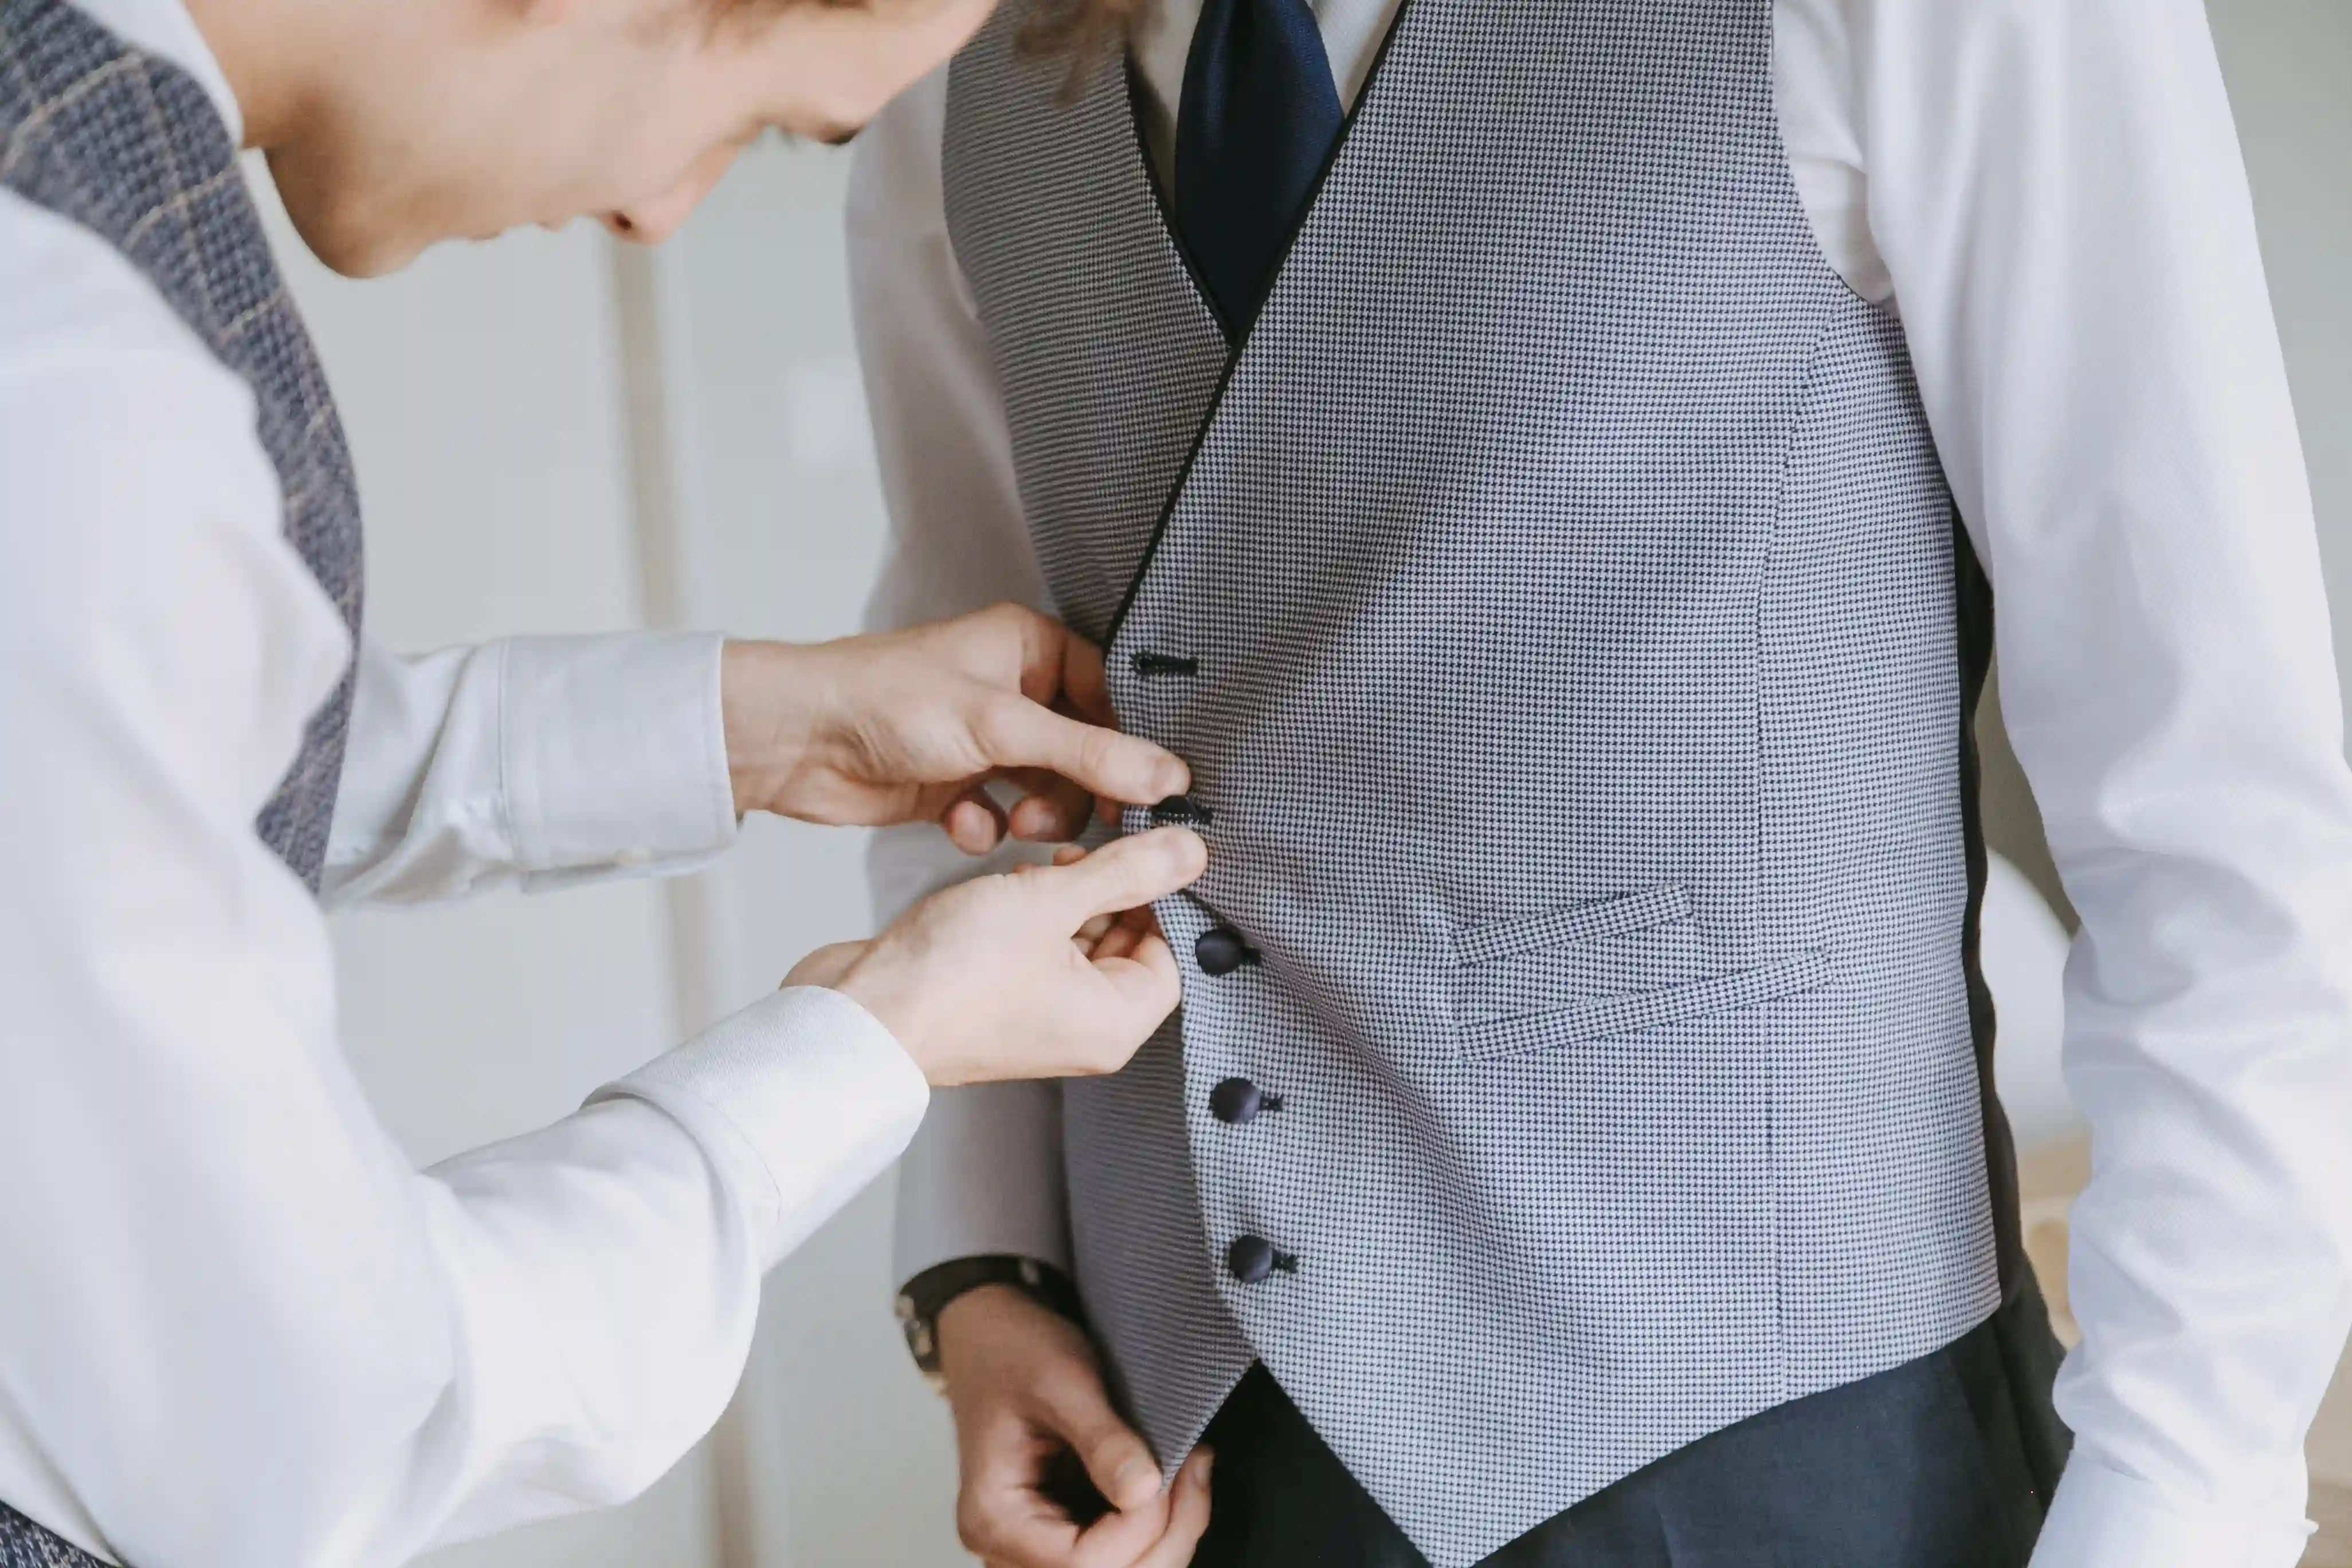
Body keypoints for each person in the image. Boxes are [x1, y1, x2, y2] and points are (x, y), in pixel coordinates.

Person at [855, 0, 2352, 1564]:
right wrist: (985, 1270)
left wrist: (2178, 1502)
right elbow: (976, 724)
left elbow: (2203, 791)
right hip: (1181, 1458)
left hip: (1785, 1451)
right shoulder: (947, 61)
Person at [0, 0, 1224, 1561]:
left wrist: (747, 727)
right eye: (754, 118)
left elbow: (106, 784)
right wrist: (877, 1040)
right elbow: (314, 1434)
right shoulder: (82, 396)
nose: (659, 212)